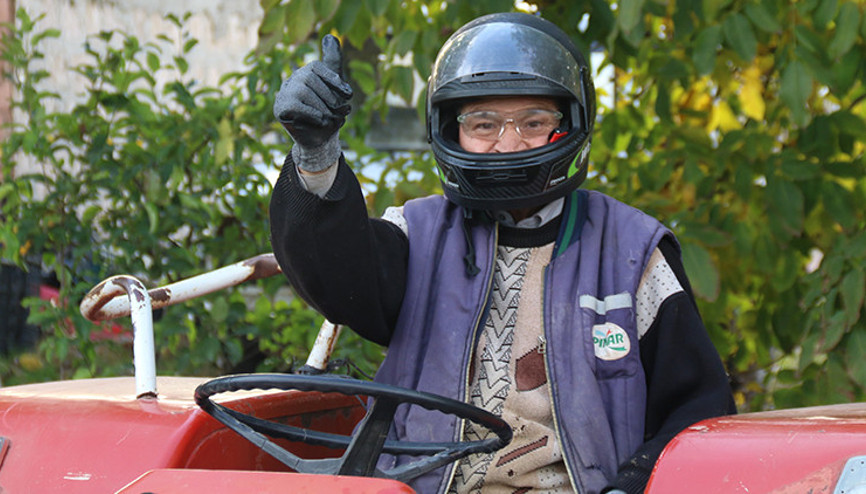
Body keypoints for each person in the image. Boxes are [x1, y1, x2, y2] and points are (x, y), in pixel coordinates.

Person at [269, 12, 736, 494]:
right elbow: (334, 275)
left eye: (534, 122)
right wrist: (316, 154)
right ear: (451, 131)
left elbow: (699, 409)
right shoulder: (418, 234)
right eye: (484, 124)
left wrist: (633, 483)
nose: (509, 144)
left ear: (572, 123)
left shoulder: (634, 252)